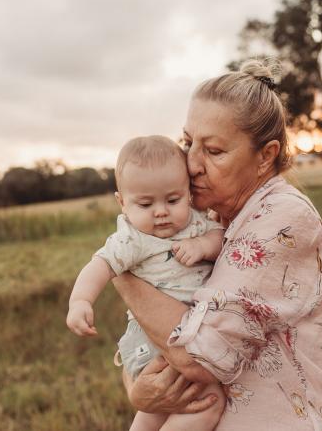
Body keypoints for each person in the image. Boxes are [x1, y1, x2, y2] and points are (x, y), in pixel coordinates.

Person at [111, 59, 322, 430]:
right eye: (188, 142)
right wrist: (138, 389)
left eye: (214, 151)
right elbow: (146, 333)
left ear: (265, 156)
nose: (191, 164)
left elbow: (200, 356)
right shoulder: (205, 218)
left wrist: (120, 272)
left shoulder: (282, 217)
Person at [66, 135, 227, 430]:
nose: (161, 211)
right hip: (151, 340)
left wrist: (203, 245)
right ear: (122, 203)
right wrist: (80, 301)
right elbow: (99, 265)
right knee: (208, 402)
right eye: (145, 203)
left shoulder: (196, 223)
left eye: (173, 199)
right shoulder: (132, 238)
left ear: (188, 194)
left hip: (175, 333)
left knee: (159, 408)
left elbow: (220, 238)